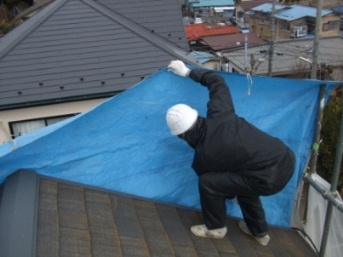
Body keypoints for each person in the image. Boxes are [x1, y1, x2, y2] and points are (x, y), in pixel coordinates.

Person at [165, 60, 295, 246]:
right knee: (244, 182)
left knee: (209, 182)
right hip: (285, 157)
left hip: (268, 179)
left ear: (181, 136)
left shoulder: (203, 158)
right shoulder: (220, 113)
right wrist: (186, 72)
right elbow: (217, 81)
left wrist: (228, 192)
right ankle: (259, 232)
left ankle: (215, 228)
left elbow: (216, 187)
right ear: (196, 115)